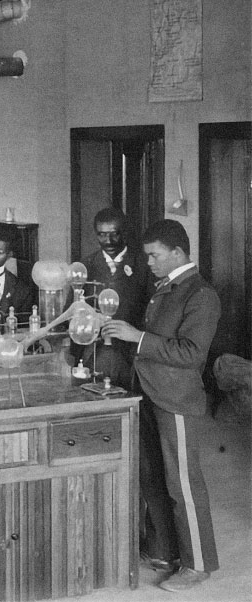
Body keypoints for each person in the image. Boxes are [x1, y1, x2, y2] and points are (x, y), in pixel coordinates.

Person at [101, 219, 220, 593]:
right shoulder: (164, 287)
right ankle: (164, 553)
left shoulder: (200, 294)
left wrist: (137, 337)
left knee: (183, 484)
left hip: (177, 399)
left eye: (154, 255)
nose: (148, 262)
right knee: (153, 477)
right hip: (150, 393)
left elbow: (190, 353)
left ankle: (198, 565)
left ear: (177, 253)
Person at [82, 207, 154, 388]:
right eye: (102, 235)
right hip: (97, 353)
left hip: (133, 353)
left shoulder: (145, 264)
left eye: (114, 234)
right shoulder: (86, 266)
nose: (108, 241)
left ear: (125, 232)